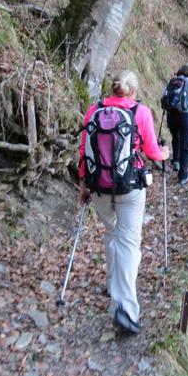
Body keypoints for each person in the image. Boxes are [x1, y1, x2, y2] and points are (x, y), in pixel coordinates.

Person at [78, 70, 169, 334]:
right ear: (133, 91)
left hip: (98, 187)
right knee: (128, 243)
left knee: (111, 233)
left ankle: (111, 284)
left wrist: (83, 184)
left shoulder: (93, 109)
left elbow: (84, 151)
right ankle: (125, 310)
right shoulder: (141, 112)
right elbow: (152, 151)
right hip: (129, 187)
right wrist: (165, 152)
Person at [163, 64, 188, 185]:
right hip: (185, 115)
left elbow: (164, 97)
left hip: (171, 115)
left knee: (176, 138)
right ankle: (183, 175)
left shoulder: (171, 81)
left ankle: (176, 161)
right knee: (185, 144)